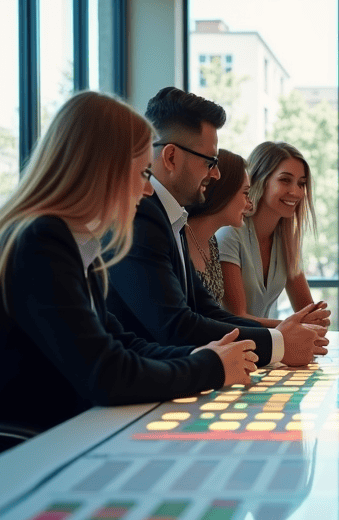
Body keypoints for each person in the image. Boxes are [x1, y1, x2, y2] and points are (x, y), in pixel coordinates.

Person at [0, 91, 258, 486]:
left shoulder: (77, 245)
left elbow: (122, 343)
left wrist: (203, 355)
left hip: (39, 451)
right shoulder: (38, 241)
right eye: (143, 173)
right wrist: (209, 367)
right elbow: (107, 374)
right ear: (105, 169)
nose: (148, 190)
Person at [105, 87, 327, 368]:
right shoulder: (142, 216)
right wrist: (278, 343)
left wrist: (278, 336)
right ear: (171, 157)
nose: (217, 174)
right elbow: (176, 326)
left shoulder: (171, 217)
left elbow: (205, 309)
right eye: (210, 162)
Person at [217, 141, 331, 329]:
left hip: (261, 351)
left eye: (301, 184)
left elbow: (307, 311)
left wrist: (317, 318)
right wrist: (297, 324)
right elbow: (236, 317)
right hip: (226, 348)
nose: (296, 192)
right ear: (259, 180)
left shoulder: (286, 241)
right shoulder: (230, 233)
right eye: (285, 180)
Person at [185, 148, 252, 304]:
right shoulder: (177, 237)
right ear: (225, 191)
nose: (249, 205)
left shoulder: (212, 243)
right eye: (246, 193)